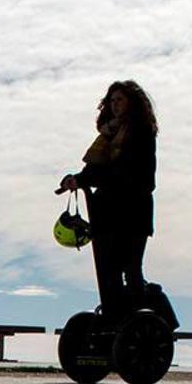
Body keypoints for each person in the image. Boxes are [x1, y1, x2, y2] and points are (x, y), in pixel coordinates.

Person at [56, 80, 158, 318]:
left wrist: (91, 179)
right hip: (108, 210)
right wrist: (76, 179)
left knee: (131, 268)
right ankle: (115, 314)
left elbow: (125, 170)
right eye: (112, 101)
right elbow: (95, 169)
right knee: (108, 268)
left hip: (133, 210)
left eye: (120, 100)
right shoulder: (109, 134)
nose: (115, 105)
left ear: (132, 103)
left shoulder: (140, 132)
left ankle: (137, 316)